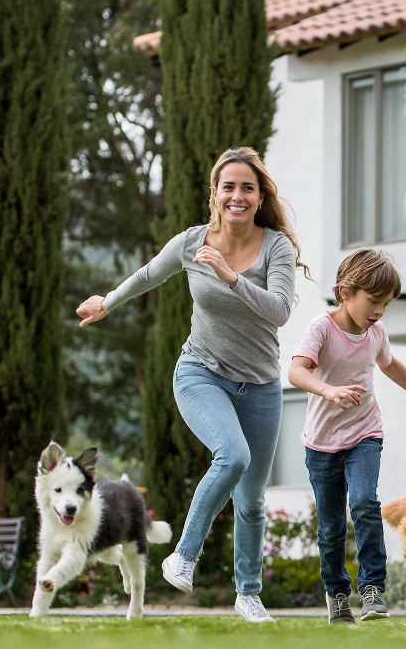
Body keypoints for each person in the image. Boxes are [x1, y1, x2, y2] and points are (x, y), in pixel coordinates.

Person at [76, 146, 309, 623]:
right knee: (234, 456)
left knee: (251, 499)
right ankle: (183, 555)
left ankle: (248, 594)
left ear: (259, 195)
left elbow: (281, 310)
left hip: (260, 386)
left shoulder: (276, 246)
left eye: (248, 187)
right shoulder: (191, 243)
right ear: (214, 194)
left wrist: (231, 278)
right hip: (201, 372)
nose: (238, 196)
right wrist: (109, 302)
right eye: (229, 187)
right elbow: (147, 275)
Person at [288, 247, 406, 625]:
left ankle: (372, 589)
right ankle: (337, 594)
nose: (379, 311)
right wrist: (328, 390)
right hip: (321, 442)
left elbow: (390, 364)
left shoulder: (376, 332)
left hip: (365, 432)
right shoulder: (321, 327)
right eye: (374, 301)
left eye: (386, 304)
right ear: (346, 292)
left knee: (365, 501)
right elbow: (296, 372)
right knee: (331, 526)